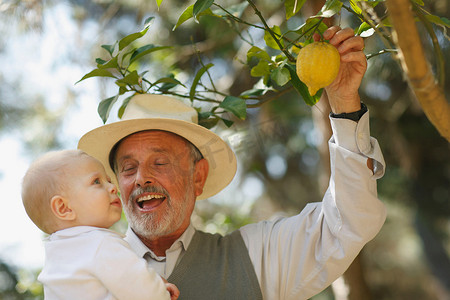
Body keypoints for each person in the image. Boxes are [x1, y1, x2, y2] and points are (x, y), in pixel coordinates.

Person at [78, 26, 387, 300]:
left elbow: (347, 222)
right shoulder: (82, 273)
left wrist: (345, 104)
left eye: (160, 162)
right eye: (128, 168)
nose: (141, 178)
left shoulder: (256, 257)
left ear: (198, 176)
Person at [21, 149, 180, 300]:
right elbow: (149, 294)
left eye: (109, 180)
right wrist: (161, 289)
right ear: (64, 208)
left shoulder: (56, 260)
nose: (113, 187)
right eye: (96, 181)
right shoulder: (101, 243)